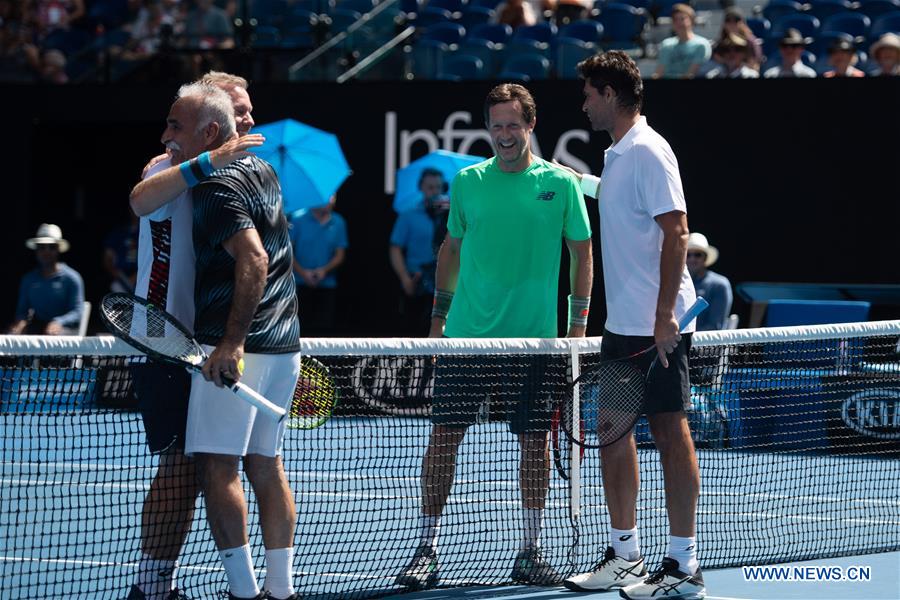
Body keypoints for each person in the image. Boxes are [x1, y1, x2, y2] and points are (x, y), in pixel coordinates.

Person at [395, 83, 593, 590]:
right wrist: (438, 325)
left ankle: (530, 549)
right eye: (497, 125)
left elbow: (582, 255)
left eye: (513, 124)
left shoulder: (562, 184)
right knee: (443, 441)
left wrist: (577, 327)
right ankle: (426, 547)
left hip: (536, 342)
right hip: (468, 338)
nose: (504, 135)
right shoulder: (467, 182)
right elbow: (451, 252)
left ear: (531, 125)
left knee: (535, 447)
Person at [559, 51, 705, 600]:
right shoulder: (620, 155)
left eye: (589, 94)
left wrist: (666, 315)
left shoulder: (648, 149)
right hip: (622, 327)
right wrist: (582, 181)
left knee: (670, 434)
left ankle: (684, 566)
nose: (584, 103)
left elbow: (677, 231)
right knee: (613, 435)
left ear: (611, 95)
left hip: (657, 327)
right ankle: (625, 555)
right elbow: (626, 206)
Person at [126, 71, 263, 600]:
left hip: (212, 342)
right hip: (164, 342)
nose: (248, 119)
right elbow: (140, 199)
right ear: (211, 123)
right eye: (239, 110)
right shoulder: (169, 166)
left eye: (250, 110)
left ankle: (243, 585)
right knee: (181, 465)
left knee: (227, 464)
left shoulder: (240, 177)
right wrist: (207, 163)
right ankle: (152, 586)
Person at [169, 82, 301, 600]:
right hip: (285, 344)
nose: (166, 135)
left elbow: (254, 258)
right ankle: (281, 592)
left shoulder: (213, 185)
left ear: (207, 131)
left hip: (236, 346)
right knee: (266, 464)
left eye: (175, 125)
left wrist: (231, 344)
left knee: (218, 467)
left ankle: (244, 594)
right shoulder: (263, 169)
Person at [389, 167, 446, 336]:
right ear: (421, 187)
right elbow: (395, 248)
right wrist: (405, 278)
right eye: (430, 187)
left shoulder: (452, 215)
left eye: (439, 187)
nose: (435, 192)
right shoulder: (408, 215)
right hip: (417, 282)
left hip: (444, 284)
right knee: (413, 332)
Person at [9, 223, 84, 335]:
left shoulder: (72, 278)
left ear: (58, 249)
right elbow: (22, 311)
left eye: (51, 247)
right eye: (42, 247)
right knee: (11, 336)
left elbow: (78, 312)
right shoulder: (28, 279)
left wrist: (59, 322)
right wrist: (21, 323)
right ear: (36, 250)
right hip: (38, 329)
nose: (46, 251)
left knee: (53, 336)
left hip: (66, 331)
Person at [290, 195, 348, 336]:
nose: (332, 200)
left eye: (334, 196)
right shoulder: (297, 219)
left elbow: (340, 255)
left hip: (327, 285)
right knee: (299, 328)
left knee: (324, 329)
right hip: (299, 285)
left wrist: (324, 271)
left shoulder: (339, 222)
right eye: (329, 196)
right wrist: (303, 273)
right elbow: (287, 251)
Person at [686, 233, 732, 331]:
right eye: (688, 255)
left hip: (705, 343)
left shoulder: (720, 284)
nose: (692, 258)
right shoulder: (679, 284)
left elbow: (715, 326)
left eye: (697, 255)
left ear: (705, 258)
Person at [653, 4, 711, 79]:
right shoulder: (666, 44)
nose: (679, 23)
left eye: (683, 19)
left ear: (692, 21)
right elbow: (659, 73)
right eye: (675, 19)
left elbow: (691, 74)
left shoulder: (701, 44)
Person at [103, 212, 139, 293]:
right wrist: (120, 276)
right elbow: (107, 260)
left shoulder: (150, 232)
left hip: (143, 278)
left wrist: (137, 276)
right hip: (121, 279)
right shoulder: (118, 232)